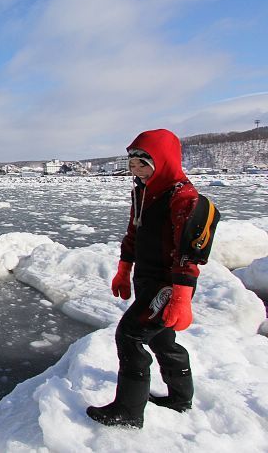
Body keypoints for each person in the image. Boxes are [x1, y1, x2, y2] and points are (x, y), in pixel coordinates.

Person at [86, 129, 200, 428]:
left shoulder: (182, 197)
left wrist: (181, 297)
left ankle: (128, 411)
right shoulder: (143, 191)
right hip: (147, 278)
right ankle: (180, 398)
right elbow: (134, 234)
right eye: (133, 165)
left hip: (168, 284)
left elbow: (188, 253)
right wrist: (124, 270)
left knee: (130, 336)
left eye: (143, 164)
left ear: (163, 162)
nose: (136, 171)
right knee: (162, 339)